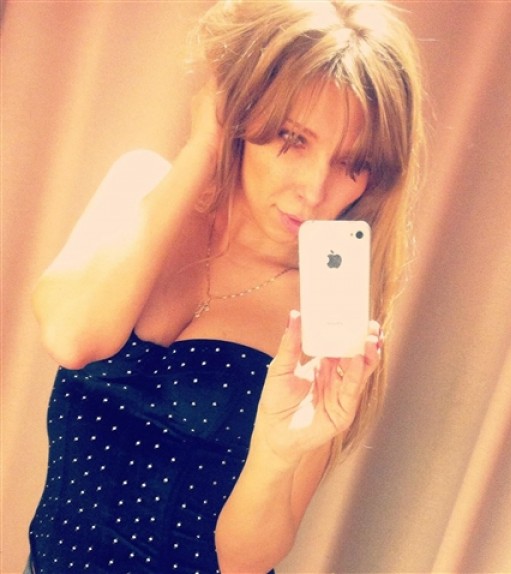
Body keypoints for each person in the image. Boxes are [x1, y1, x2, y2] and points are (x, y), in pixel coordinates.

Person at [26, 0, 424, 572]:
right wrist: (203, 150)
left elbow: (244, 561)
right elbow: (73, 338)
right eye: (293, 138)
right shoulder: (141, 187)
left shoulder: (324, 314)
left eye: (352, 163)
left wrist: (276, 454)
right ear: (241, 112)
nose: (314, 189)